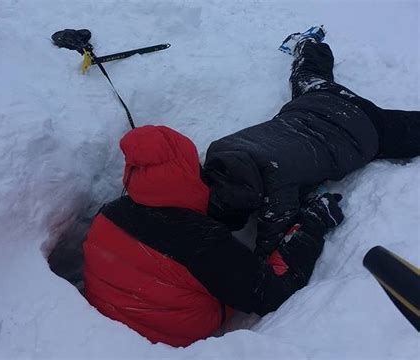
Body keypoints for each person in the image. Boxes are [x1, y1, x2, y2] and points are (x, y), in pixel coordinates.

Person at [78, 125, 343, 347]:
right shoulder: (203, 242)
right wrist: (312, 225)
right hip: (164, 339)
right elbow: (272, 293)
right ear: (186, 170)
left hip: (102, 330)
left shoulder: (110, 211)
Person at [203, 26, 420, 259]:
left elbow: (269, 254)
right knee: (307, 72)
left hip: (365, 127)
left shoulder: (277, 193)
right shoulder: (220, 149)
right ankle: (308, 43)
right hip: (317, 99)